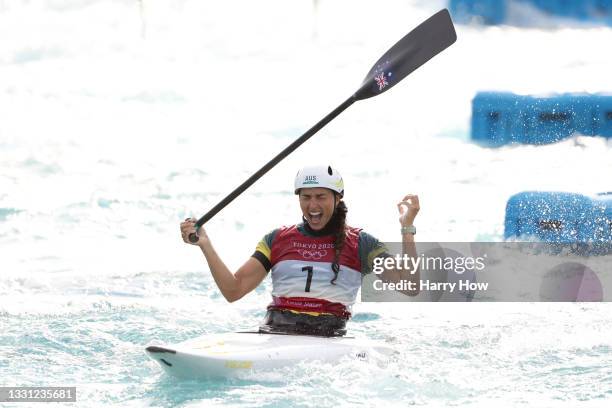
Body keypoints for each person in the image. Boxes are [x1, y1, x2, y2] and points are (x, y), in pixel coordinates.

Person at [180, 165, 420, 337]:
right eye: (305, 197)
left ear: (338, 198)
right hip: (275, 332)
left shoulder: (361, 243)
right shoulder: (277, 239)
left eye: (321, 197)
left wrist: (407, 228)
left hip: (329, 337)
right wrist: (206, 245)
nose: (312, 206)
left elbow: (410, 287)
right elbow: (233, 290)